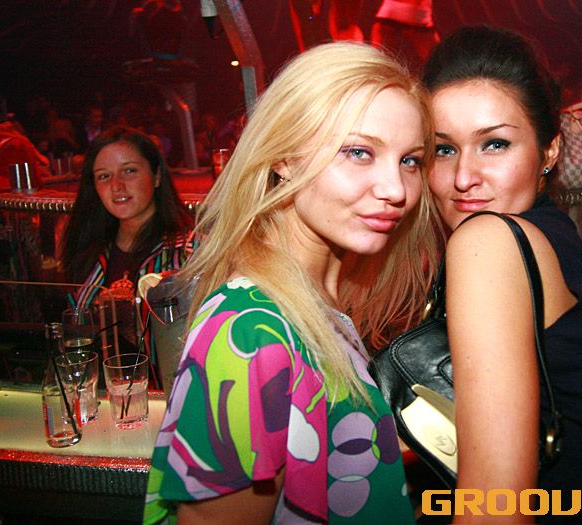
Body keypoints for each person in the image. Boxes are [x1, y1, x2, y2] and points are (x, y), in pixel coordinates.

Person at [144, 41, 437, 524]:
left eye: (410, 160)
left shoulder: (314, 301)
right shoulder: (252, 333)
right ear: (283, 157)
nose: (396, 190)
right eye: (359, 152)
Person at [422, 26, 582, 523]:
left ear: (549, 151)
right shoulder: (550, 235)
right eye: (444, 149)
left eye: (494, 144)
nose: (463, 177)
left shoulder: (489, 241)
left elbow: (495, 510)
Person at [61, 126, 193, 385]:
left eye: (129, 170)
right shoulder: (88, 253)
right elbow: (73, 339)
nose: (116, 185)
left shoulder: (188, 250)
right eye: (103, 176)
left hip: (170, 395)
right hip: (103, 394)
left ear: (156, 176)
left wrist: (132, 321)